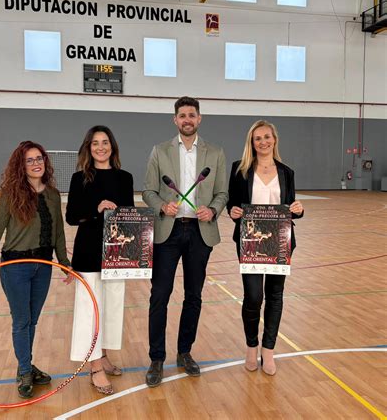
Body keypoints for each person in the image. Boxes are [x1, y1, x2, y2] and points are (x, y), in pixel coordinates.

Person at [0, 141, 72, 399]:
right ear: (21, 166)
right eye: (30, 160)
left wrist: (65, 264)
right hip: (15, 269)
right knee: (21, 321)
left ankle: (27, 364)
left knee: (32, 320)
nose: (36, 163)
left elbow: (58, 234)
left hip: (43, 268)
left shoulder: (53, 195)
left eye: (39, 158)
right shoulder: (11, 194)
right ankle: (24, 370)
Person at [143, 96, 228, 387]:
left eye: (192, 115)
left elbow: (222, 193)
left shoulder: (215, 153)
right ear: (175, 120)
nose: (187, 120)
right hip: (168, 231)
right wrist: (160, 206)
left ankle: (184, 352)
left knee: (193, 296)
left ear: (199, 118)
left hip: (200, 232)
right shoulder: (159, 150)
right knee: (160, 295)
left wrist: (213, 209)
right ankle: (156, 358)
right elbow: (148, 191)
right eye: (182, 115)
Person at [227, 120, 304, 375]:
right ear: (252, 142)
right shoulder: (239, 169)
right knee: (253, 296)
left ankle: (268, 350)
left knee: (275, 296)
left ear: (274, 139)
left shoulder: (286, 172)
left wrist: (299, 209)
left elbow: (291, 207)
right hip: (250, 241)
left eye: (267, 137)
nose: (263, 142)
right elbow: (232, 205)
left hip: (280, 242)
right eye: (258, 138)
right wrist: (233, 211)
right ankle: (251, 345)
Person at [66, 125, 134, 396]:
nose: (101, 147)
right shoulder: (79, 177)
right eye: (95, 143)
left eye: (105, 142)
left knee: (111, 307)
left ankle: (103, 354)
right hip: (88, 252)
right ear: (88, 147)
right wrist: (96, 210)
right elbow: (72, 216)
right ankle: (94, 366)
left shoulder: (125, 177)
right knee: (90, 310)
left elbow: (129, 216)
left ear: (112, 146)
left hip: (117, 254)